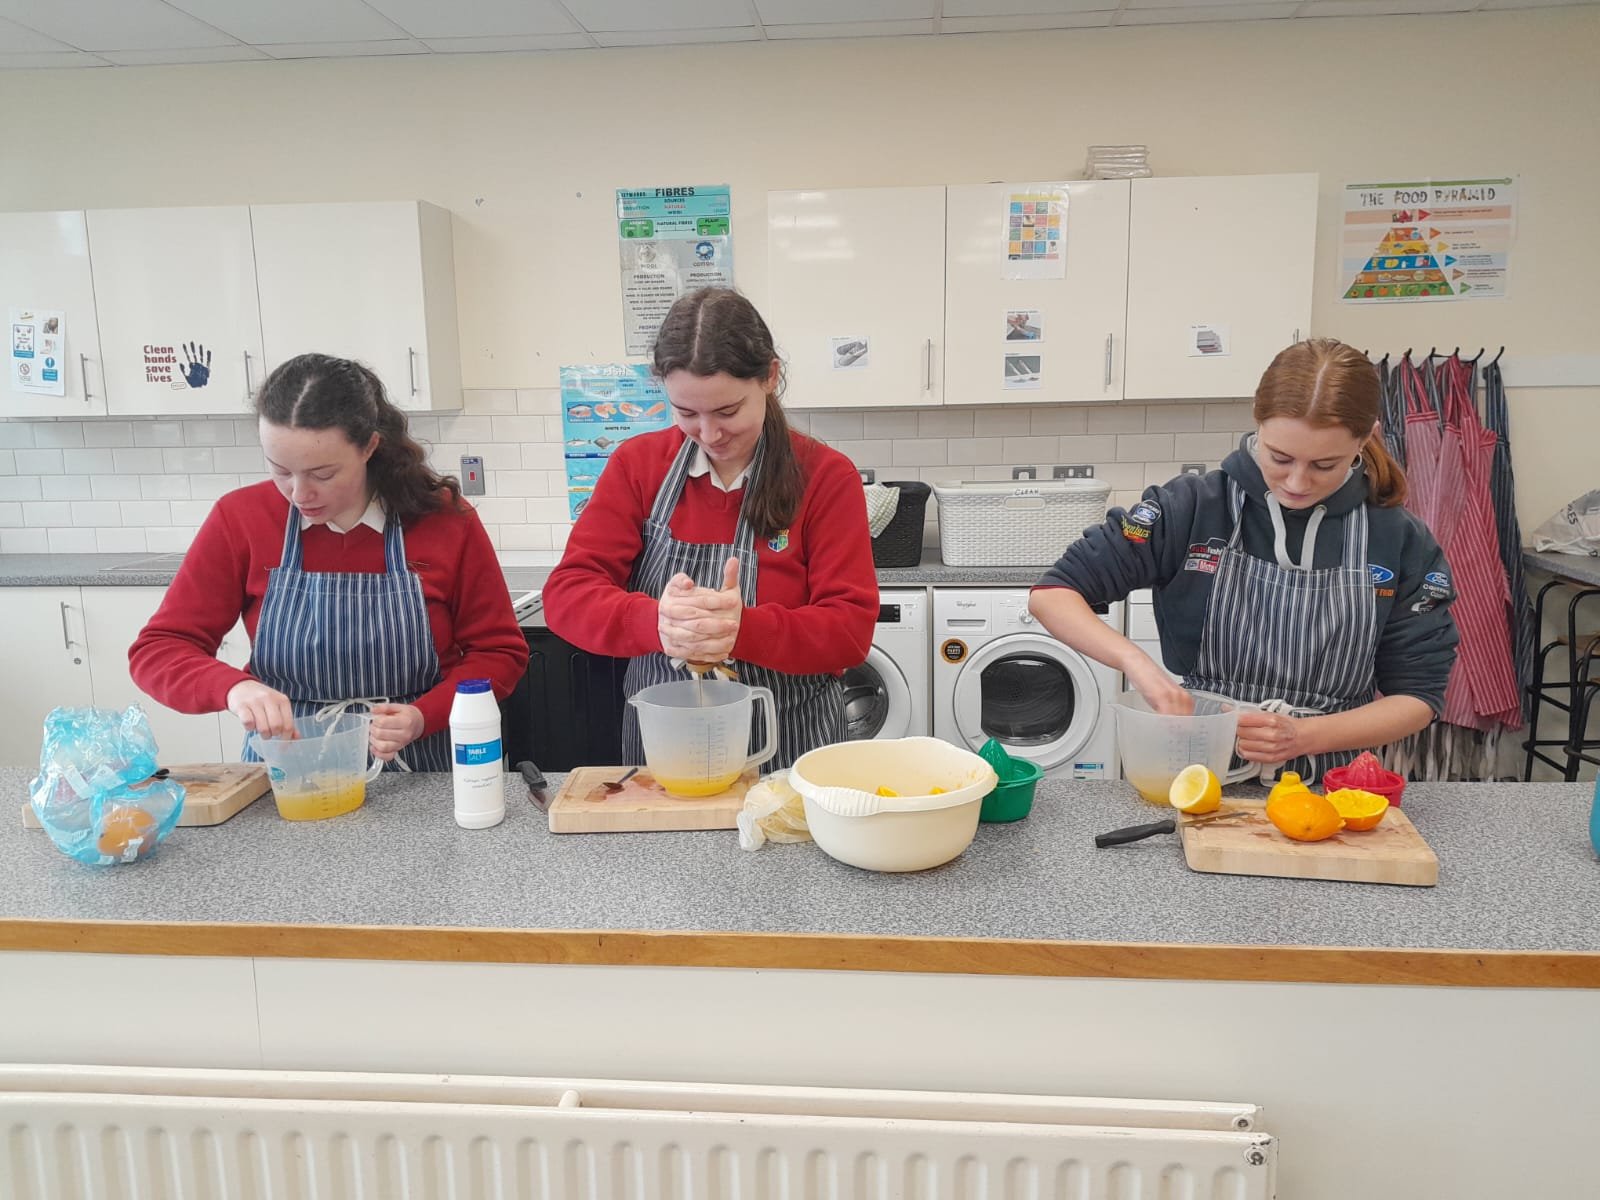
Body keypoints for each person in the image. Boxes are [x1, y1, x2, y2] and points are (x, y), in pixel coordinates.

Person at [1029, 338, 1459, 783]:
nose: (1296, 482)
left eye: (1324, 465)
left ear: (1365, 438)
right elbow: (1054, 594)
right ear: (1258, 424)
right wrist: (1141, 669)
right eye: (1280, 457)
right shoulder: (1191, 508)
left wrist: (1304, 736)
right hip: (1200, 772)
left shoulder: (1399, 538)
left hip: (1333, 789)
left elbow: (1418, 698)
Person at [129, 353, 528, 771]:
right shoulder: (241, 519)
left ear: (370, 447)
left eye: (322, 474)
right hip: (289, 770)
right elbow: (159, 650)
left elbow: (499, 652)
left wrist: (423, 715)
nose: (299, 494)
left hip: (421, 767)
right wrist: (234, 689)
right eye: (280, 470)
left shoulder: (442, 519)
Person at [542, 287, 878, 770]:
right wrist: (656, 621)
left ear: (770, 377)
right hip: (667, 748)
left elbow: (849, 630)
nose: (709, 433)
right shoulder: (638, 467)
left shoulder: (824, 476)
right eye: (686, 413)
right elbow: (567, 594)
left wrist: (742, 628)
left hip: (791, 748)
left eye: (727, 411)